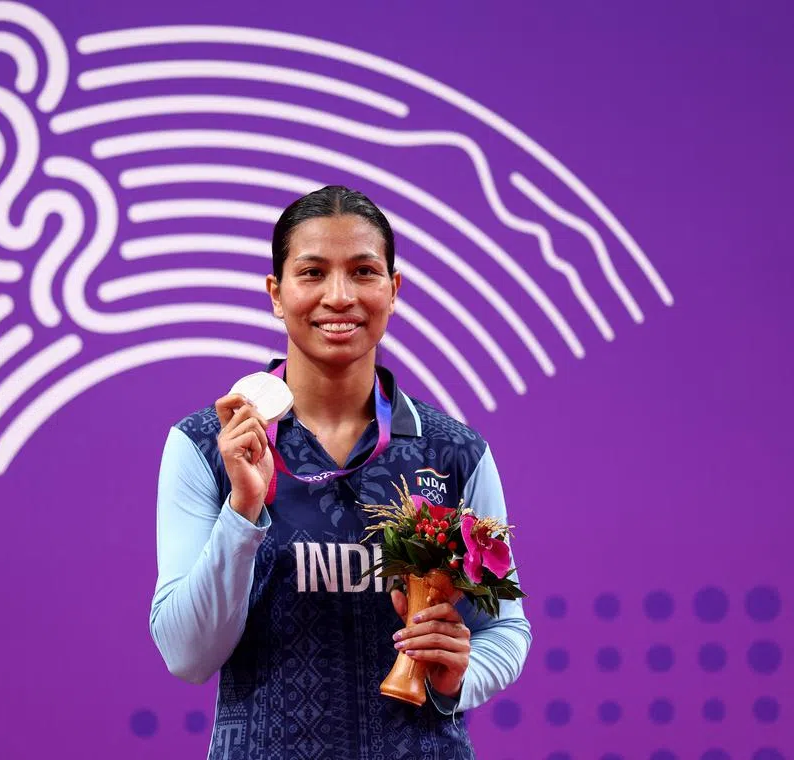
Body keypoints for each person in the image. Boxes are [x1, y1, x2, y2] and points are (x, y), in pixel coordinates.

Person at [150, 186, 531, 759]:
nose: (339, 296)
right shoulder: (206, 445)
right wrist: (242, 512)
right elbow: (187, 655)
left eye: (363, 271)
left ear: (393, 290)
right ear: (276, 294)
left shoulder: (454, 452)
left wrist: (457, 677)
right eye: (312, 273)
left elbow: (505, 629)